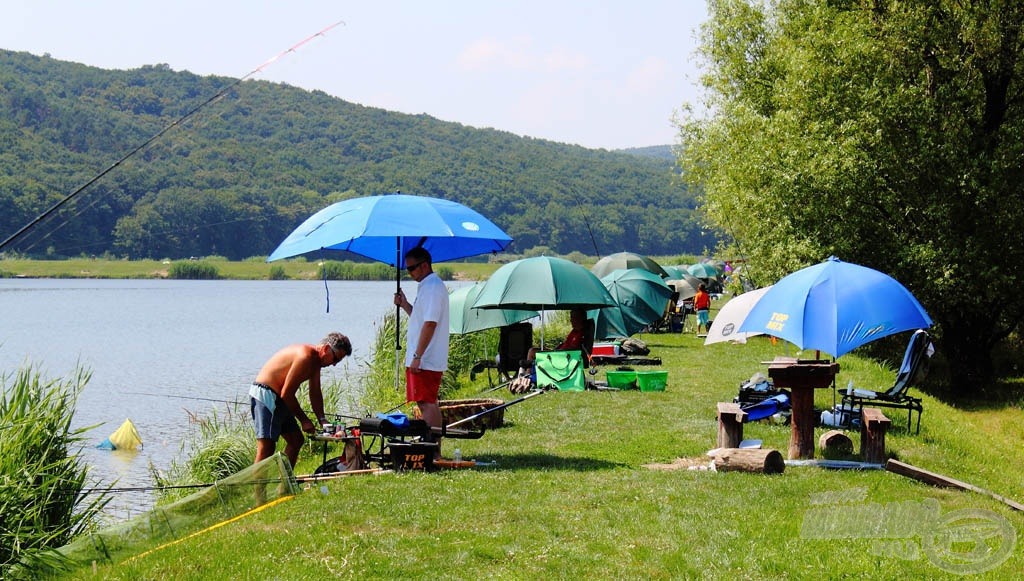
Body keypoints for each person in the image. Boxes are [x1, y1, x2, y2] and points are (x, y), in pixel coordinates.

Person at [249, 332, 351, 468]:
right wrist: (304, 420)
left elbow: (315, 392)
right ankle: (257, 489)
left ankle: (284, 485)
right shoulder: (306, 357)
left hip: (279, 398)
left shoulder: (316, 362)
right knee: (266, 448)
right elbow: (287, 393)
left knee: (296, 440)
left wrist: (322, 419)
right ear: (326, 349)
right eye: (336, 359)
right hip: (266, 394)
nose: (334, 365)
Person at [393, 247, 450, 454]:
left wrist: (418, 356)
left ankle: (434, 449)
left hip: (426, 358)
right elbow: (420, 319)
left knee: (427, 403)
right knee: (424, 401)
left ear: (424, 265)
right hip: (421, 357)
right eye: (407, 269)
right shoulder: (426, 287)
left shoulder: (433, 287)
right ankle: (430, 446)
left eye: (412, 268)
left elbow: (430, 324)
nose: (409, 273)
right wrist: (405, 305)